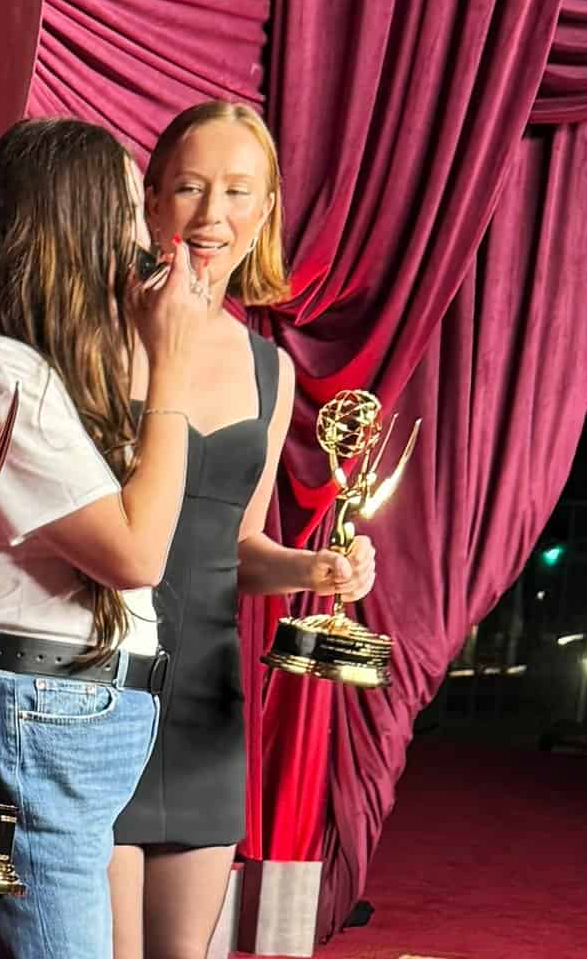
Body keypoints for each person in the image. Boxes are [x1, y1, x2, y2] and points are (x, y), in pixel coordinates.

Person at [0, 118, 222, 958]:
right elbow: (136, 553)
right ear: (71, 224)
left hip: (40, 718)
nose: (143, 239)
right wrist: (175, 366)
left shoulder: (16, 364)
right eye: (123, 212)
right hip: (24, 721)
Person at [107, 100, 377, 959]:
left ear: (264, 213)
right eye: (189, 187)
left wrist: (315, 569)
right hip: (94, 685)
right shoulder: (96, 332)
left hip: (205, 702)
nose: (211, 215)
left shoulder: (272, 370)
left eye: (236, 192)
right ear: (152, 201)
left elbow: (240, 549)